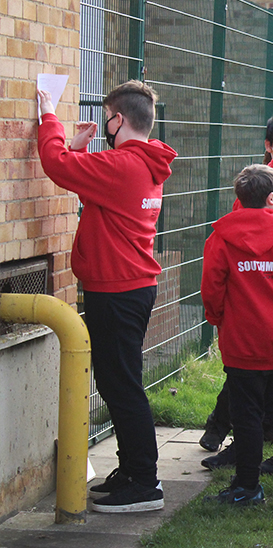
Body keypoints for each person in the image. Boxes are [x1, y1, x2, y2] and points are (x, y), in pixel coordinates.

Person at [36, 81, 177, 513]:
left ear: (117, 119)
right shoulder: (141, 164)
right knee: (117, 382)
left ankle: (146, 482)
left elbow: (56, 165)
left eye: (107, 118)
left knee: (123, 386)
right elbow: (90, 186)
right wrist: (79, 148)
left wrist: (49, 117)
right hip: (127, 287)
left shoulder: (123, 165)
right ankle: (132, 470)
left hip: (118, 290)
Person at [200, 110, 273, 479]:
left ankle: (254, 478)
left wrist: (218, 318)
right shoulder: (262, 192)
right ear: (269, 145)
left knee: (270, 397)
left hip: (258, 321)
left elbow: (213, 283)